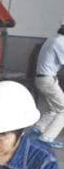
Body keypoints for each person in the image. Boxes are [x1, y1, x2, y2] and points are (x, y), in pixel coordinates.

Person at [32, 18, 64, 149]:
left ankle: (38, 128)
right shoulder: (60, 42)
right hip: (47, 80)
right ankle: (47, 137)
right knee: (63, 109)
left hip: (43, 78)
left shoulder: (52, 39)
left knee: (54, 109)